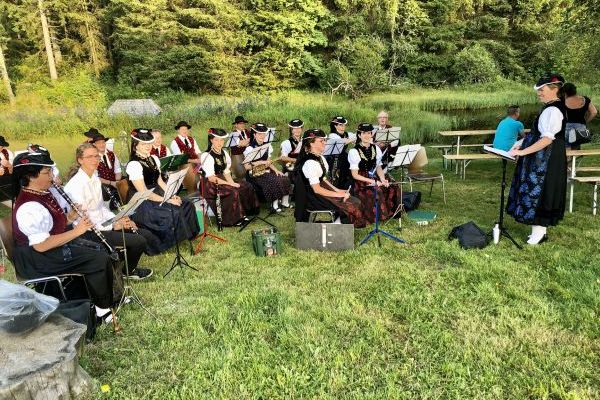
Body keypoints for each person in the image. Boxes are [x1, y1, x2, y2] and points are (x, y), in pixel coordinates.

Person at [11, 145, 114, 320]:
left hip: (48, 248)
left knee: (98, 249)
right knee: (98, 258)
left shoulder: (43, 192)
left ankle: (98, 298)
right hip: (37, 259)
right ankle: (102, 309)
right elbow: (41, 245)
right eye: (47, 173)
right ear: (29, 176)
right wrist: (78, 231)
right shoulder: (29, 206)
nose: (52, 177)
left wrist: (69, 217)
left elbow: (51, 226)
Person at [64, 143, 154, 280]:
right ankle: (127, 271)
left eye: (96, 156)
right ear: (80, 160)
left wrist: (118, 218)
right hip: (89, 232)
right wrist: (113, 225)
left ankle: (117, 264)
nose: (95, 160)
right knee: (139, 241)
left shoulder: (94, 177)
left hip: (102, 224)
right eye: (89, 157)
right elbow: (85, 220)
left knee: (145, 233)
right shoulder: (75, 185)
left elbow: (101, 208)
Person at [507, 74, 567, 245]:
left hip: (547, 158)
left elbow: (547, 139)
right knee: (538, 189)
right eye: (539, 90)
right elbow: (536, 135)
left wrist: (524, 152)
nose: (539, 93)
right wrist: (520, 144)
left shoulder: (554, 110)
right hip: (542, 155)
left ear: (554, 90)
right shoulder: (549, 107)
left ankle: (539, 232)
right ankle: (539, 231)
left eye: (542, 90)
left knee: (541, 189)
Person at [126, 129, 200, 254]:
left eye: (149, 143)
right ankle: (166, 242)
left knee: (187, 204)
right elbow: (144, 192)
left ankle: (186, 235)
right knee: (172, 211)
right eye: (144, 144)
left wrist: (172, 194)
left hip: (158, 192)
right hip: (142, 202)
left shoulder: (153, 158)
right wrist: (167, 199)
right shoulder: (134, 165)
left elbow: (160, 181)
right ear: (135, 146)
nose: (148, 147)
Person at [294, 129, 365, 228]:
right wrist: (337, 195)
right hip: (314, 198)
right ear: (312, 144)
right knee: (350, 203)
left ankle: (337, 226)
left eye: (325, 140)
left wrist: (338, 190)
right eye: (321, 141)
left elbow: (323, 179)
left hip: (320, 192)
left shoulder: (320, 158)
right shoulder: (310, 163)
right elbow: (317, 189)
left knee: (353, 200)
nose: (325, 143)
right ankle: (336, 227)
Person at [200, 128, 259, 227]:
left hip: (222, 179)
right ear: (211, 140)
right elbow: (211, 178)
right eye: (216, 140)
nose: (219, 143)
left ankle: (246, 213)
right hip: (210, 185)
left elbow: (226, 172)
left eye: (222, 140)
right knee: (232, 191)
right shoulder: (207, 155)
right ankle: (234, 219)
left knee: (245, 185)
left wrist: (232, 183)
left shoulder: (224, 153)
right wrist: (230, 184)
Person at [348, 123, 401, 223]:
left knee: (393, 185)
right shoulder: (354, 151)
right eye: (364, 133)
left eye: (369, 133)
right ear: (359, 135)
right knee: (376, 190)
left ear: (372, 134)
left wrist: (382, 178)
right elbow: (355, 175)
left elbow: (378, 167)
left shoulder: (375, 148)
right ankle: (379, 216)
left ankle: (393, 212)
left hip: (374, 176)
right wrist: (372, 181)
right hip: (361, 180)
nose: (367, 135)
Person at [244, 123, 291, 213]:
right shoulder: (249, 148)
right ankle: (274, 205)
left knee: (283, 178)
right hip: (254, 174)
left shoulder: (267, 146)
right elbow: (247, 167)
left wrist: (276, 170)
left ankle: (285, 202)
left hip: (265, 171)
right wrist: (260, 162)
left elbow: (269, 162)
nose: (262, 136)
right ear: (254, 135)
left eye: (264, 134)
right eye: (259, 134)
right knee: (273, 180)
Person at [89, 132, 123, 210]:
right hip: (102, 182)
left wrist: (117, 181)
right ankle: (107, 207)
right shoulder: (93, 158)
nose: (101, 145)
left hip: (114, 180)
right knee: (104, 187)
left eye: (103, 142)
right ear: (94, 144)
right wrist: (111, 183)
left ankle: (124, 203)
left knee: (126, 181)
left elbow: (118, 169)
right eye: (98, 143)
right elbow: (96, 177)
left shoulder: (111, 154)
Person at [563, 82, 598, 150]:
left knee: (567, 149)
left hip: (567, 129)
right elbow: (594, 112)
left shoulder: (563, 102)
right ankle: (574, 159)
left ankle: (569, 159)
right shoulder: (585, 99)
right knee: (576, 147)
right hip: (581, 129)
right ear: (575, 90)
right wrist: (586, 121)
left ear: (565, 92)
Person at [169, 121, 201, 193]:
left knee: (207, 162)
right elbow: (181, 158)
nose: (185, 131)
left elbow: (198, 151)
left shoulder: (192, 139)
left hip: (195, 162)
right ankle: (192, 191)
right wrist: (195, 161)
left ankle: (207, 189)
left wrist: (201, 160)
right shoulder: (174, 142)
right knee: (188, 166)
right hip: (183, 164)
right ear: (178, 130)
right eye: (182, 129)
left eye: (186, 129)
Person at [326, 116, 355, 188]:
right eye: (340, 125)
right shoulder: (332, 135)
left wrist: (355, 139)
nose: (343, 127)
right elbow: (342, 141)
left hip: (343, 156)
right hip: (334, 158)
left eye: (344, 125)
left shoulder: (346, 134)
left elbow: (355, 136)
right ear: (335, 126)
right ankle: (338, 185)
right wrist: (351, 139)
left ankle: (347, 184)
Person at [229, 115, 252, 180]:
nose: (243, 125)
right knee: (242, 175)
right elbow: (241, 144)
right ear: (236, 125)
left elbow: (253, 141)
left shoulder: (247, 132)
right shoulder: (233, 134)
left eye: (243, 123)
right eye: (240, 123)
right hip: (238, 158)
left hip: (249, 156)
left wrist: (244, 142)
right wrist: (248, 141)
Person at [0, 136, 14, 201]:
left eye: (2, 146)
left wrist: (9, 165)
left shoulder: (8, 153)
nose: (1, 148)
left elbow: (12, 171)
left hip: (7, 180)